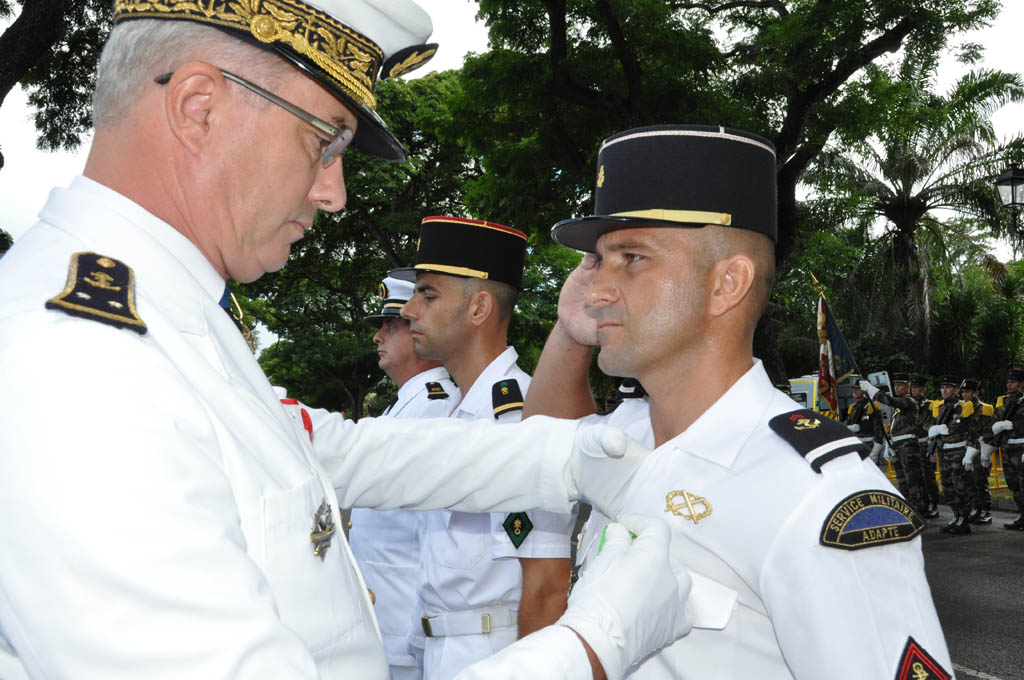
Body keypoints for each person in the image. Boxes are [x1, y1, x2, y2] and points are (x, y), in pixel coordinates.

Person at [0, 3, 693, 677]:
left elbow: (339, 452)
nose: (334, 192)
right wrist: (597, 641)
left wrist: (569, 458)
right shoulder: (78, 366)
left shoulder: (163, 317)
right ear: (198, 108)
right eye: (323, 141)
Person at [524, 124, 952, 678]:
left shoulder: (817, 497)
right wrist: (569, 330)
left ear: (727, 284)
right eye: (598, 261)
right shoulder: (625, 433)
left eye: (631, 257)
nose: (597, 289)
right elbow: (533, 451)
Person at [399, 216, 576, 680]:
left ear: (479, 308)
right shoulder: (454, 411)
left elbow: (547, 586)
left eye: (428, 295)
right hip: (439, 650)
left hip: (495, 654)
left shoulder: (520, 419)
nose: (409, 310)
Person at [351, 271, 459, 679]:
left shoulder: (435, 406)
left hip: (407, 621)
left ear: (418, 332)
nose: (377, 337)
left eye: (389, 326)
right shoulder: (406, 404)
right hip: (387, 618)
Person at [859, 373, 927, 513]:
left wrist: (871, 389)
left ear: (908, 387)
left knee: (912, 480)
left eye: (900, 385)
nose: (897, 388)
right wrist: (889, 444)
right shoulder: (897, 408)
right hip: (898, 445)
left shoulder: (909, 402)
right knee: (902, 481)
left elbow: (889, 400)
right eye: (895, 385)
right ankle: (907, 509)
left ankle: (918, 510)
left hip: (907, 446)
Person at [928, 375, 977, 535]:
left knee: (960, 487)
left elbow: (973, 431)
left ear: (956, 389)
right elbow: (928, 424)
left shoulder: (965, 407)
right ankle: (956, 516)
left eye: (948, 387)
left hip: (958, 452)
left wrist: (970, 454)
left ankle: (964, 519)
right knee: (947, 487)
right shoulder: (939, 407)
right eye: (942, 387)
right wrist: (932, 429)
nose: (944, 390)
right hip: (943, 452)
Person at [990, 368, 1024, 530]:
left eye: (1013, 382)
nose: (1009, 385)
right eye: (1008, 382)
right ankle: (1022, 515)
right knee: (1013, 484)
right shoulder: (1003, 403)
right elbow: (992, 424)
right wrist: (998, 426)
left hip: (1021, 449)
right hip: (1007, 449)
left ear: (1022, 384)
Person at [959, 378, 994, 525]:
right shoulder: (961, 407)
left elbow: (987, 433)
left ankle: (985, 511)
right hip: (966, 448)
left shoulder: (985, 409)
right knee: (969, 482)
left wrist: (984, 452)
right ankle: (976, 509)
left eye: (968, 392)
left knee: (980, 481)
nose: (964, 394)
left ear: (976, 393)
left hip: (980, 450)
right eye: (963, 392)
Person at [911, 374, 943, 518]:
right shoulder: (908, 403)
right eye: (913, 387)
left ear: (924, 389)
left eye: (917, 387)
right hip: (912, 444)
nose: (914, 389)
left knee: (927, 476)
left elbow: (931, 423)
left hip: (925, 442)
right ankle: (922, 504)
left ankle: (933, 504)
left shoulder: (930, 405)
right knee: (916, 476)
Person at [844, 377, 885, 463]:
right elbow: (847, 423)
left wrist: (876, 450)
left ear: (864, 391)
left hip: (869, 443)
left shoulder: (872, 406)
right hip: (856, 443)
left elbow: (878, 427)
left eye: (858, 389)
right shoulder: (853, 407)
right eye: (854, 389)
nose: (855, 391)